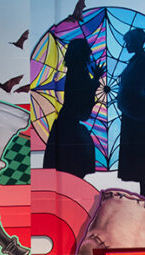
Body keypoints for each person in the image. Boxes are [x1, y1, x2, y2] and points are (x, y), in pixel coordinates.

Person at [42, 38, 102, 176]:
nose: (90, 51)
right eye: (87, 49)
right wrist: (95, 80)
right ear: (82, 53)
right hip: (70, 125)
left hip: (67, 123)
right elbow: (81, 95)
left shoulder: (75, 69)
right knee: (75, 166)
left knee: (70, 167)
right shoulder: (79, 71)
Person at [116, 28, 145, 198]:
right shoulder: (136, 60)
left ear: (136, 42)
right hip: (132, 111)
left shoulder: (141, 60)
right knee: (138, 156)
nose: (126, 45)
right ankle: (143, 196)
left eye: (128, 42)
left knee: (142, 156)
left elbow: (135, 86)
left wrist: (124, 99)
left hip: (136, 113)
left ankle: (144, 196)